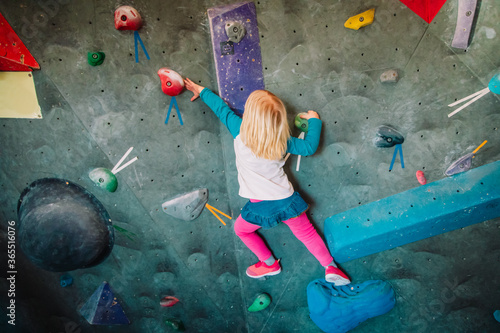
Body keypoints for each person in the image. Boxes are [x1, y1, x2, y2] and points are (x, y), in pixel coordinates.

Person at [184, 78, 350, 286]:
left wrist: (202, 91)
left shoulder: (239, 131)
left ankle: (269, 263)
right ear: (279, 118)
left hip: (261, 206)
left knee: (241, 230)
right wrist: (315, 120)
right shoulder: (282, 141)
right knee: (307, 234)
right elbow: (309, 148)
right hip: (286, 200)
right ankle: (330, 267)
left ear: (249, 115)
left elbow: (222, 110)